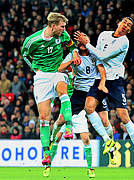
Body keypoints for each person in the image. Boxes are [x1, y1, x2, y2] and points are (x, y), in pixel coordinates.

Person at [75, 17, 134, 167]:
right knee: (89, 108)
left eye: (128, 26)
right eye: (124, 22)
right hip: (100, 78)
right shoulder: (104, 35)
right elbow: (97, 58)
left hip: (114, 81)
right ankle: (109, 142)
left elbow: (103, 56)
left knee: (123, 117)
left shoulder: (124, 42)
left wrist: (87, 43)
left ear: (129, 30)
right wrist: (101, 78)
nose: (125, 26)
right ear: (118, 23)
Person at [21, 12, 81, 168]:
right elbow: (25, 54)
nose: (64, 29)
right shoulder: (32, 40)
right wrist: (35, 69)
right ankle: (46, 153)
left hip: (57, 72)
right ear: (53, 26)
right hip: (42, 78)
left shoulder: (62, 35)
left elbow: (70, 44)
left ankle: (69, 127)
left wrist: (74, 51)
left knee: (63, 91)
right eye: (62, 26)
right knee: (44, 117)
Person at [44, 42, 111, 177]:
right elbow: (59, 69)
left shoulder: (90, 59)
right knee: (58, 132)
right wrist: (71, 61)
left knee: (86, 138)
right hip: (73, 101)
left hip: (84, 99)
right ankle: (48, 165)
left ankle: (90, 168)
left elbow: (101, 68)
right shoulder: (66, 70)